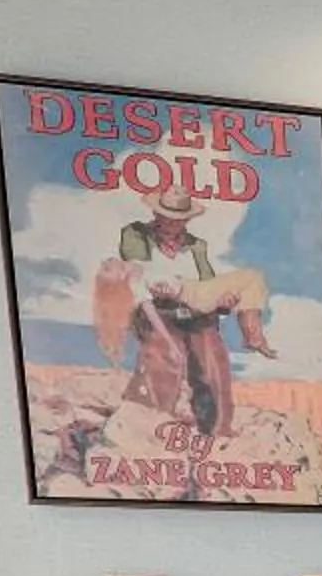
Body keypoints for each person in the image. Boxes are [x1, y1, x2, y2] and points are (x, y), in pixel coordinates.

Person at [89, 187, 276, 439]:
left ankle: (217, 430)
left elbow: (207, 284)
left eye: (177, 219)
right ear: (156, 214)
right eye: (165, 217)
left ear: (187, 219)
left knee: (211, 360)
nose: (170, 224)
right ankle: (151, 425)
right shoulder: (135, 235)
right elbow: (137, 280)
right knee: (163, 356)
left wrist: (224, 303)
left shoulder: (196, 246)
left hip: (196, 311)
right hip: (159, 311)